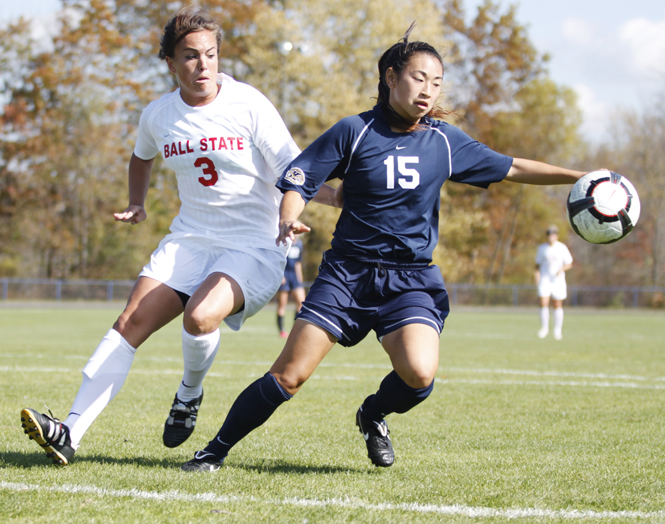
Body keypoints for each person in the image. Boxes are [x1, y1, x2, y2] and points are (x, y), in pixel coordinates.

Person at [180, 26, 591, 473]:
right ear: (391, 77)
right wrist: (287, 215)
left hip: (411, 279)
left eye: (436, 83)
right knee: (289, 376)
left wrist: (580, 177)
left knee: (419, 374)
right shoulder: (353, 131)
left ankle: (372, 413)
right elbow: (299, 181)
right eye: (419, 78)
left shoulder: (444, 141)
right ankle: (213, 451)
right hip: (347, 276)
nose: (428, 91)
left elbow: (513, 167)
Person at [19, 6, 340, 466]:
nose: (203, 65)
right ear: (170, 63)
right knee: (129, 322)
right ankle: (70, 431)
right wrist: (137, 201)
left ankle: (189, 393)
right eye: (190, 56)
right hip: (190, 238)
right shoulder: (158, 114)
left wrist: (341, 199)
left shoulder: (249, 103)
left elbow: (297, 171)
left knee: (200, 315)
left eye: (210, 54)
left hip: (253, 244)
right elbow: (141, 156)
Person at [535, 225, 573, 340]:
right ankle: (544, 328)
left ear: (556, 236)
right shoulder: (542, 248)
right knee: (543, 302)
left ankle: (557, 330)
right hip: (545, 279)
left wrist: (561, 270)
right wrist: (537, 275)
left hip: (557, 280)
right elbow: (537, 265)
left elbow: (569, 263)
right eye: (549, 235)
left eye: (553, 235)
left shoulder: (562, 247)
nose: (551, 237)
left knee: (557, 304)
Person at [276, 237, 306, 337]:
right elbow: (278, 260)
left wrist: (300, 278)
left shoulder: (299, 244)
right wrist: (281, 276)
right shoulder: (284, 243)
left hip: (294, 276)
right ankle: (282, 330)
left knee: (301, 303)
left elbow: (298, 263)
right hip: (284, 275)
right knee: (282, 305)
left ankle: (295, 328)